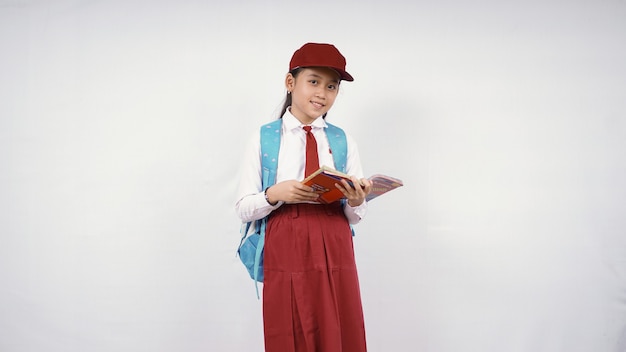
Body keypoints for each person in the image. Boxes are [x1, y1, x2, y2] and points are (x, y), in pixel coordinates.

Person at [235, 42, 372, 352]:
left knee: (340, 322)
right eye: (313, 81)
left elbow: (356, 216)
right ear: (290, 82)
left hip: (335, 243)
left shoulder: (342, 140)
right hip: (285, 242)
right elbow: (243, 208)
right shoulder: (263, 137)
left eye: (332, 86)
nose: (322, 93)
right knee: (289, 325)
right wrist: (274, 194)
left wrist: (355, 200)